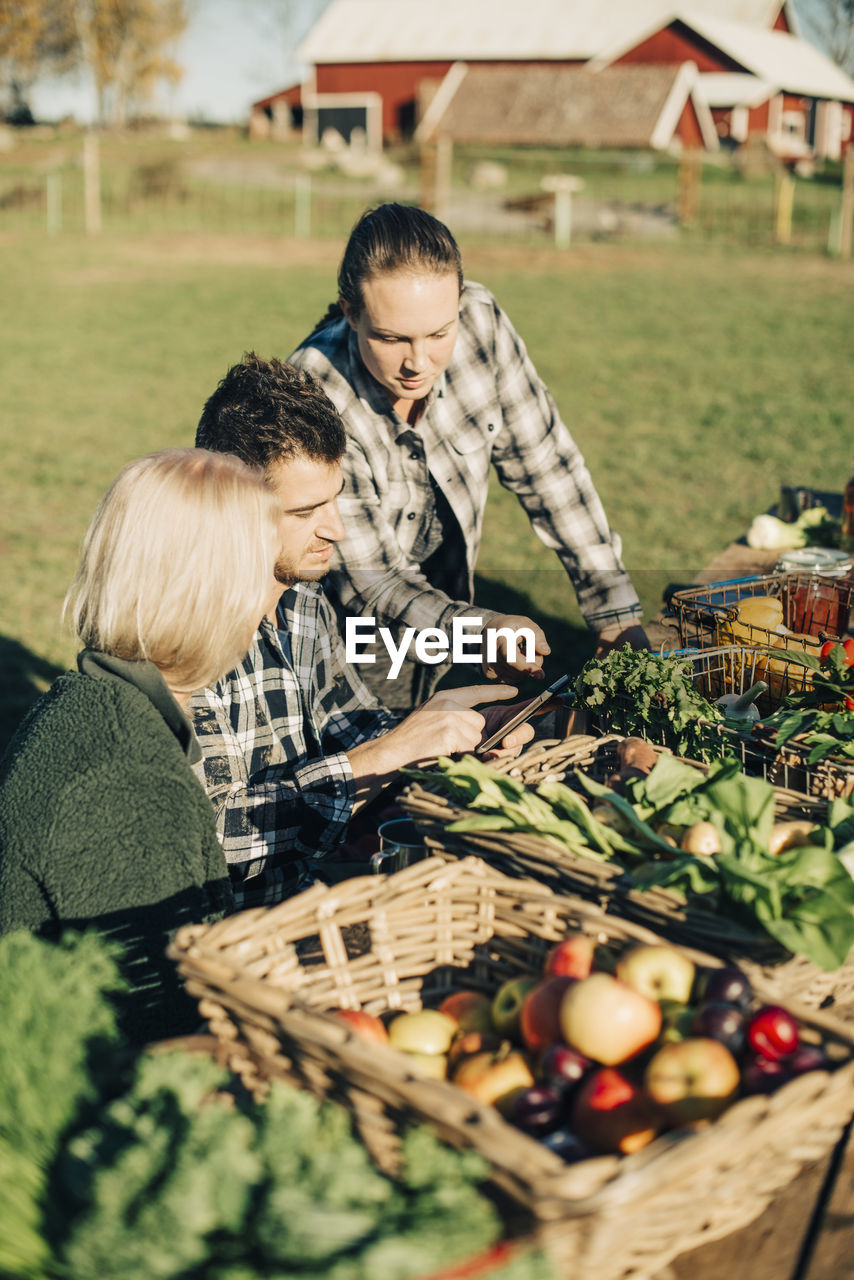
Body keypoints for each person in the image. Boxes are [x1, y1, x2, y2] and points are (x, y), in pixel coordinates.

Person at [191, 354, 535, 909]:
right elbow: (208, 837)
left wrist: (452, 736)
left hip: (305, 903)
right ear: (230, 506)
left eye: (335, 497)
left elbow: (355, 728)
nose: (336, 528)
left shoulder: (303, 602)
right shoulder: (176, 629)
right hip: (213, 946)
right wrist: (383, 756)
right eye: (304, 511)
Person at [288, 201, 649, 710]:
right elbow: (372, 584)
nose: (418, 362)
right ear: (350, 313)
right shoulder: (314, 394)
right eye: (392, 338)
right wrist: (482, 630)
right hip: (352, 637)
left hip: (447, 607)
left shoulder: (481, 323)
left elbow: (547, 468)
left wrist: (615, 613)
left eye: (439, 333)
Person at [0, 448, 284, 1044]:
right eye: (265, 574)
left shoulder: (87, 701)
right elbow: (168, 1024)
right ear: (212, 594)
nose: (270, 602)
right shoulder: (128, 782)